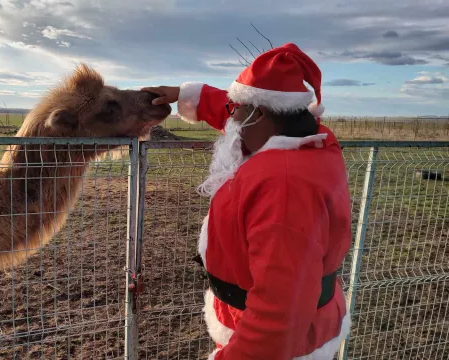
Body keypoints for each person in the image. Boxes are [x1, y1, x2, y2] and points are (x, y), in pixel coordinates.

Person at [141, 43, 352, 360]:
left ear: (261, 112)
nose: (230, 117)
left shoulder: (283, 186)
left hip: (279, 347)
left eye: (237, 109)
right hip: (283, 325)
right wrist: (182, 94)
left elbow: (281, 312)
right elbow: (232, 109)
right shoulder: (305, 139)